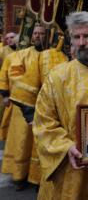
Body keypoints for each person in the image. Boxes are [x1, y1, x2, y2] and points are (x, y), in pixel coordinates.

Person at [33, 12, 88, 199]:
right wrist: (65, 146)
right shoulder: (57, 77)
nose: (80, 42)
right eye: (76, 37)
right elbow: (43, 122)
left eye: (87, 36)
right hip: (70, 166)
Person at [0, 24, 46, 190]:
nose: (38, 36)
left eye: (42, 33)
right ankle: (20, 176)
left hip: (46, 109)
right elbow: (11, 76)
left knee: (41, 144)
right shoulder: (21, 55)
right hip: (23, 107)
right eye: (35, 33)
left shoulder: (54, 56)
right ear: (30, 35)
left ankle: (39, 179)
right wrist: (5, 94)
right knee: (22, 141)